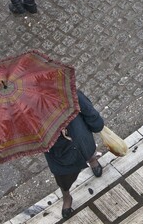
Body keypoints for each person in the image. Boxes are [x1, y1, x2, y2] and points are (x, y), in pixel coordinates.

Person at [44, 90, 104, 219]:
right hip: (58, 153)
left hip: (79, 135)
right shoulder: (25, 114)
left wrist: (96, 123)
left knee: (88, 151)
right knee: (63, 180)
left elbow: (85, 106)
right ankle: (67, 197)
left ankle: (92, 160)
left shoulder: (61, 88)